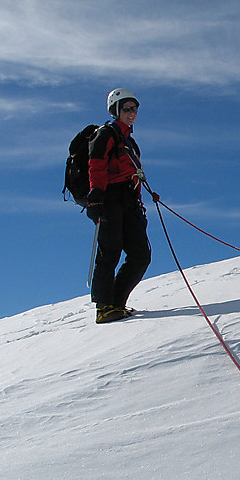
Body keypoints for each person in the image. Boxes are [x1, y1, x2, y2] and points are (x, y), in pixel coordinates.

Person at [86, 88, 151, 324]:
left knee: (141, 256)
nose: (132, 113)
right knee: (110, 252)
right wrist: (95, 196)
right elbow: (96, 166)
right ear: (116, 110)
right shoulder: (105, 134)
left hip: (130, 200)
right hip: (109, 198)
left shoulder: (130, 142)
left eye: (135, 108)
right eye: (127, 108)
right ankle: (104, 307)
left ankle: (116, 303)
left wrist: (140, 205)